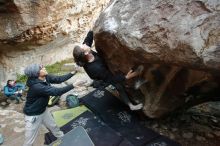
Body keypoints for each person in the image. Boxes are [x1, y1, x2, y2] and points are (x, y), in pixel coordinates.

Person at [73, 31, 143, 111]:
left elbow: (88, 38)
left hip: (102, 68)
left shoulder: (85, 53)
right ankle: (131, 105)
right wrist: (126, 77)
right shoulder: (95, 68)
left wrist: (94, 29)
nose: (84, 44)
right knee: (119, 86)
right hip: (101, 77)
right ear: (85, 53)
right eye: (83, 45)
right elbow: (110, 79)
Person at [23, 64, 80, 146]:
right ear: (36, 73)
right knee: (29, 140)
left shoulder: (44, 77)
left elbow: (59, 79)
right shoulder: (36, 87)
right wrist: (73, 85)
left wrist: (73, 72)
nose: (44, 68)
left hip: (43, 110)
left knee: (53, 126)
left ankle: (63, 138)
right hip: (33, 115)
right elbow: (57, 92)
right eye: (41, 68)